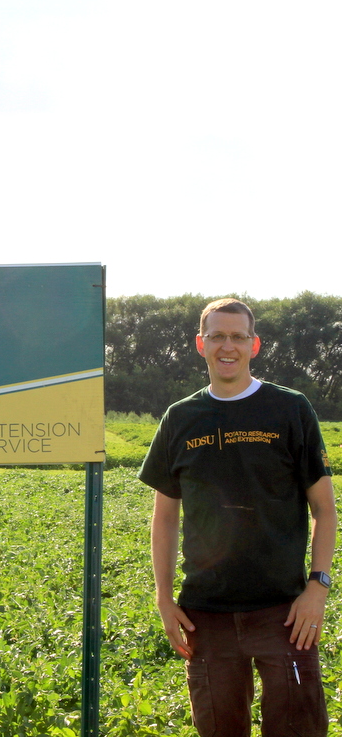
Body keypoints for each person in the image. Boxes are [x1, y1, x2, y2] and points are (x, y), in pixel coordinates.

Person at [138, 298, 337, 737]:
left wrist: (317, 588)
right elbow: (165, 518)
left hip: (285, 611)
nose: (227, 346)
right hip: (206, 612)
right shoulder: (180, 418)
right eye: (217, 336)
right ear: (200, 344)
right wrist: (164, 598)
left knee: (299, 728)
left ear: (254, 344)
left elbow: (325, 509)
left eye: (237, 337)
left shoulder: (290, 408)